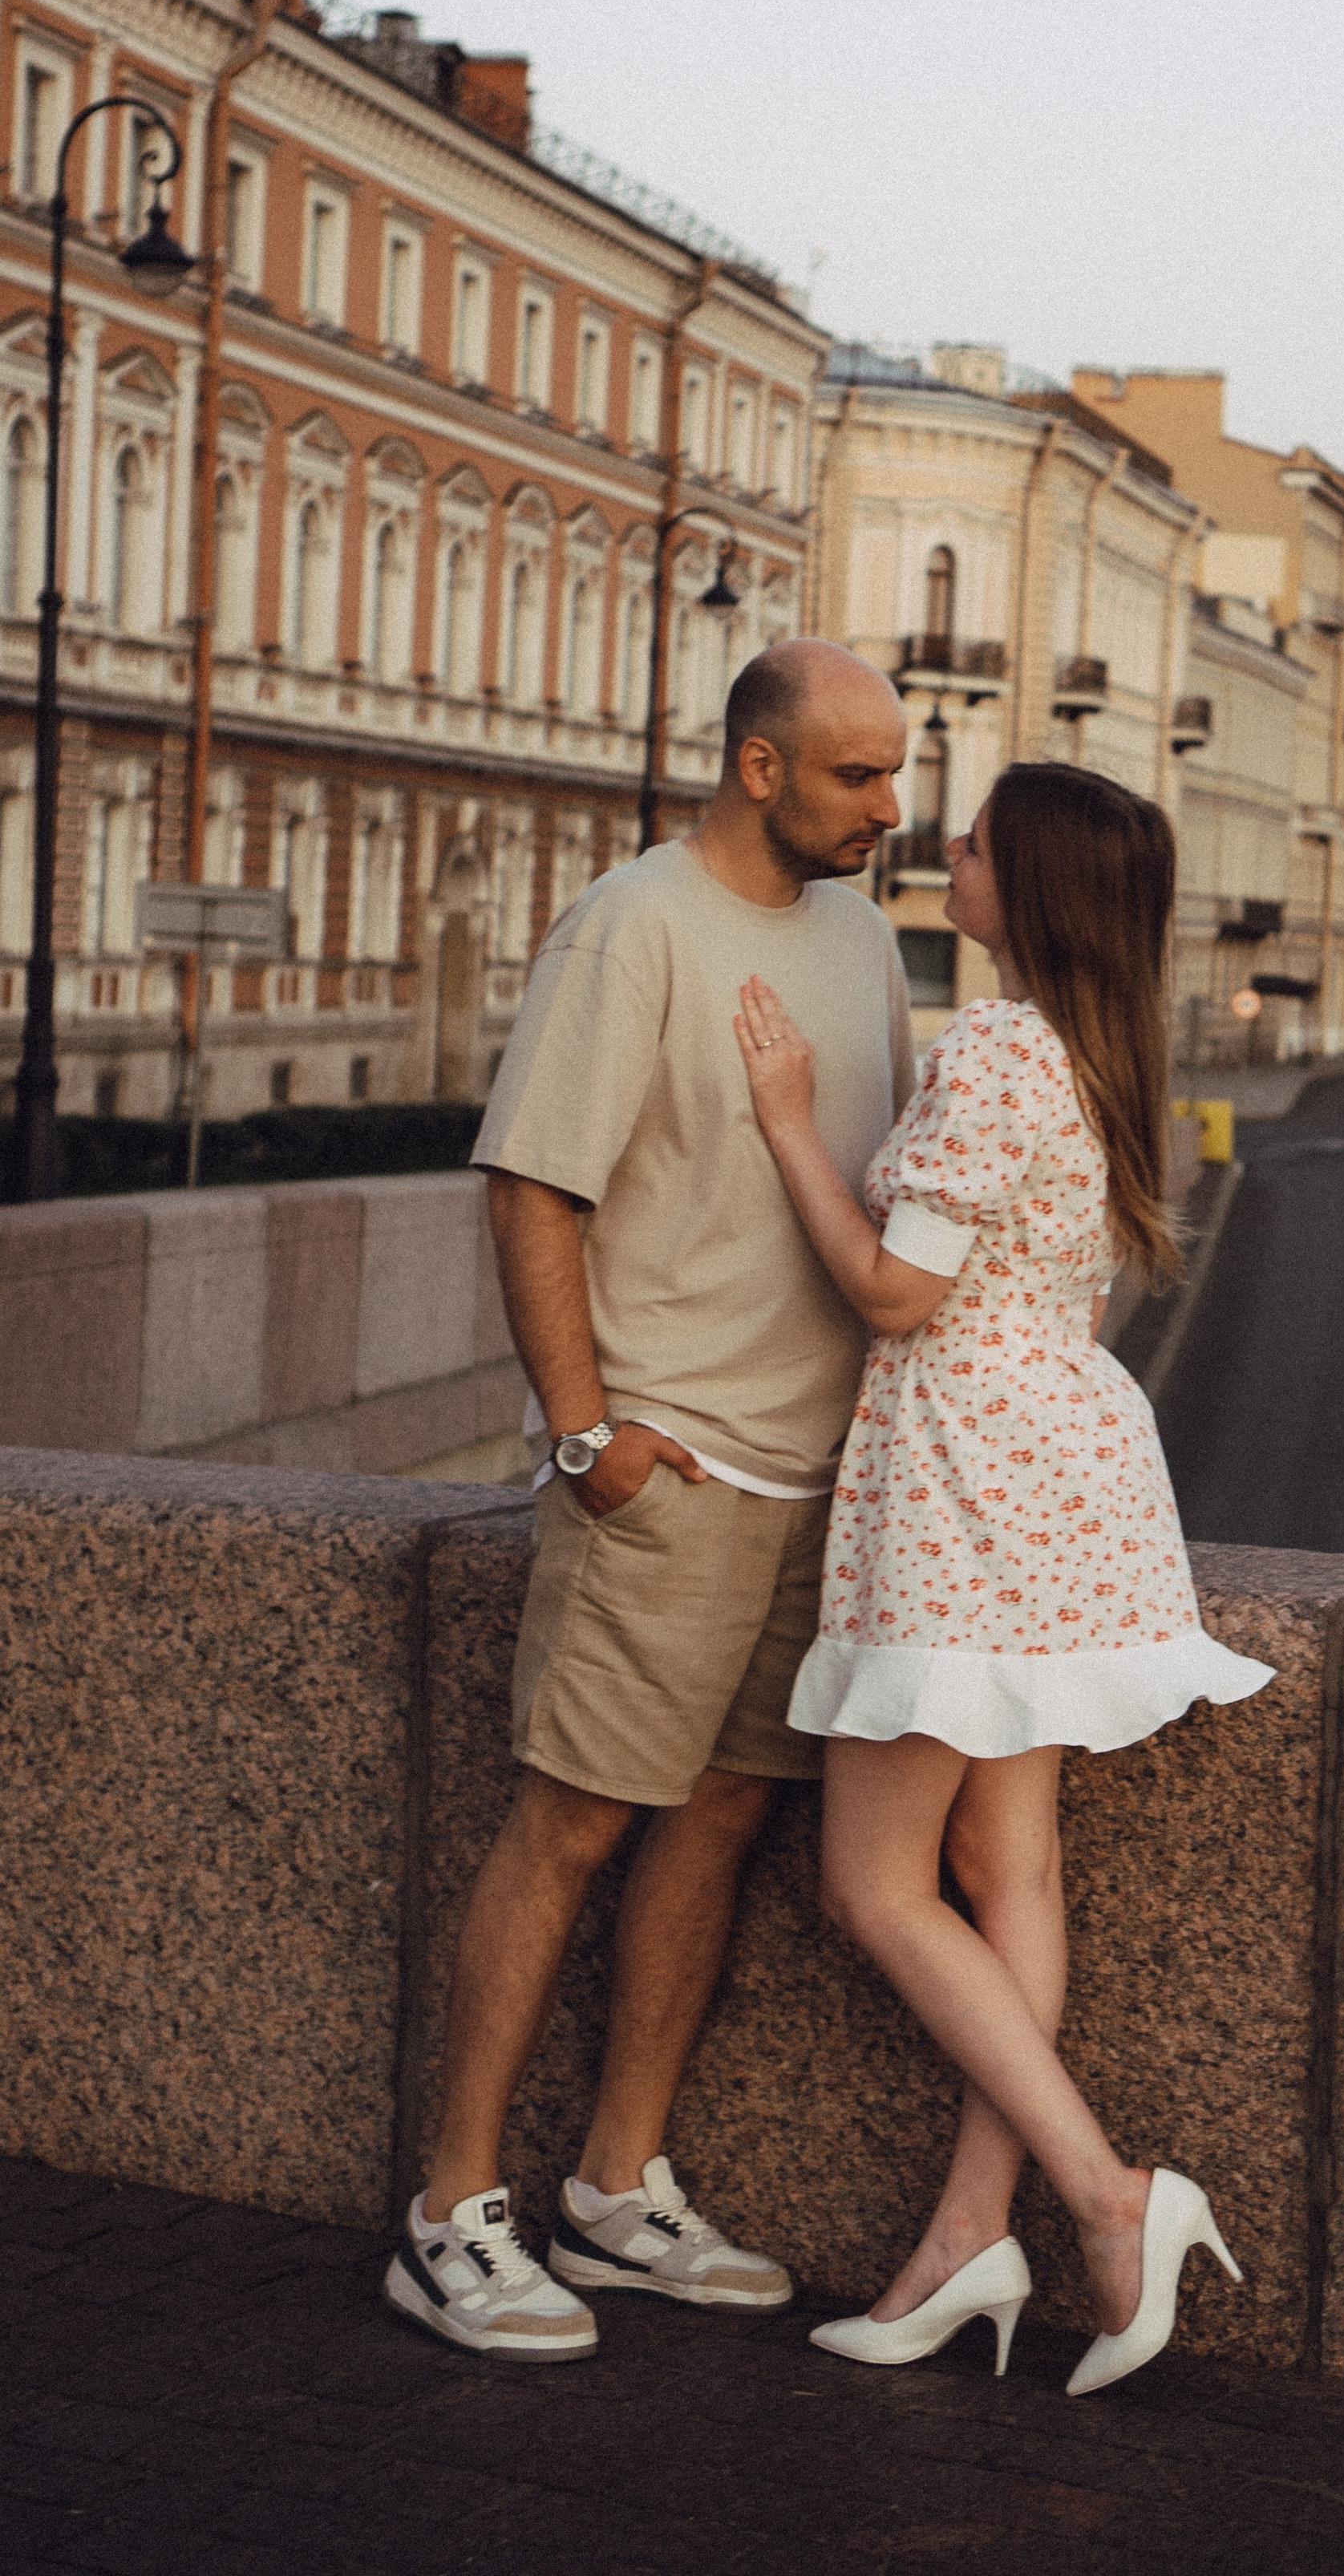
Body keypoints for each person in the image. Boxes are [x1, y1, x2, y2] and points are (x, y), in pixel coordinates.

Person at [383, 641, 915, 2360]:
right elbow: (534, 1184)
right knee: (573, 1822)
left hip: (815, 1468)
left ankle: (616, 2191)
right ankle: (450, 2213)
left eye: (894, 774)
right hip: (667, 1463)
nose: (886, 810)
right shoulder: (632, 925)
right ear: (760, 768)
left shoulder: (858, 936)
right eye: (854, 777)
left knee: (720, 1821)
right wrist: (581, 1432)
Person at [732, 759, 1272, 2399]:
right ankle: (972, 2233)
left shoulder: (995, 1047)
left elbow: (896, 1296)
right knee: (1005, 1865)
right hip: (1070, 1474)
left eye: (968, 844)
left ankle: (1109, 2195)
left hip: (963, 1482)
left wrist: (782, 1126)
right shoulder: (1102, 1054)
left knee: (876, 1886)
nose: (941, 853)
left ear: (1022, 886)